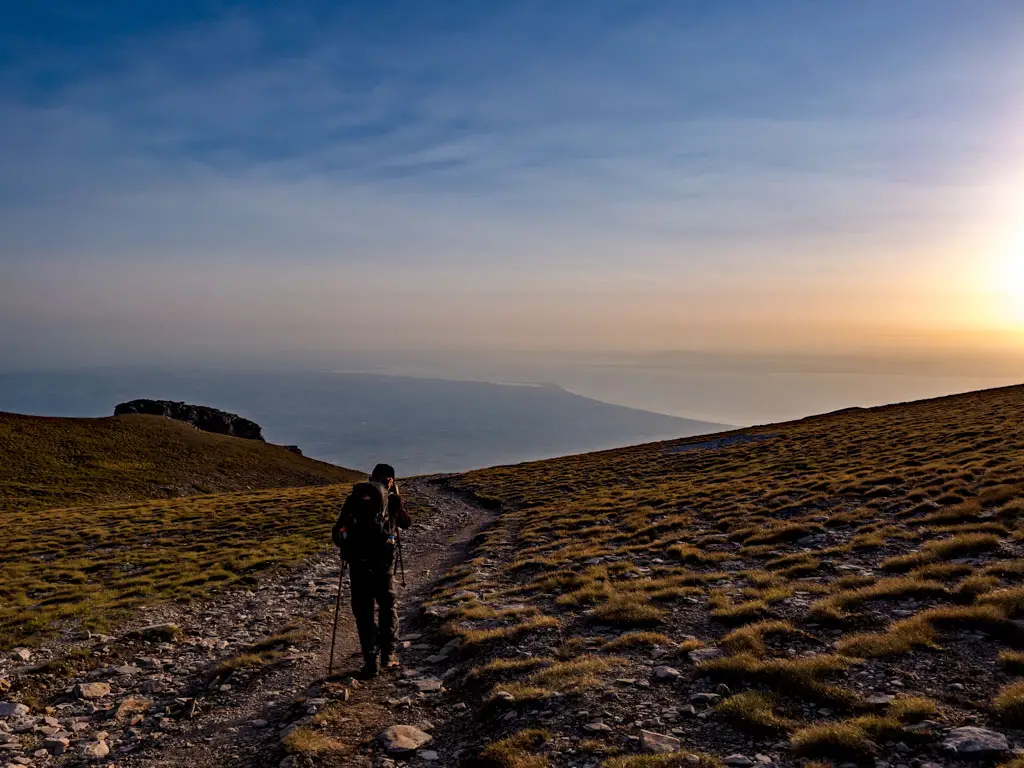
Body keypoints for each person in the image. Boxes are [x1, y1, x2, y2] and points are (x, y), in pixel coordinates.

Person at [332, 463, 411, 679]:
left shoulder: (354, 499)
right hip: (382, 567)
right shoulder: (392, 500)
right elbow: (406, 523)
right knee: (387, 607)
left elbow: (337, 534)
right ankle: (388, 655)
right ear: (390, 481)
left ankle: (371, 662)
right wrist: (397, 498)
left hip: (358, 567)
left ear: (371, 478)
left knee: (364, 613)